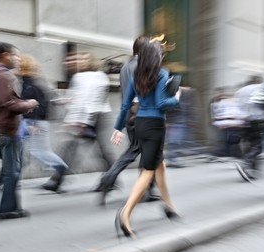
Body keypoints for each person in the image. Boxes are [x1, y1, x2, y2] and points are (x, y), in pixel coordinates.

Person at [112, 39, 182, 238]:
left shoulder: (136, 76)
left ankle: (168, 206)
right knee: (148, 171)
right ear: (156, 57)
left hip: (140, 124)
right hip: (154, 126)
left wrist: (117, 128)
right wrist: (176, 98)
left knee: (160, 165)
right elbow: (161, 103)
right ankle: (125, 214)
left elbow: (125, 106)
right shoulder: (161, 74)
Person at [95, 36, 160, 205]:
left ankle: (146, 188)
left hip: (130, 115)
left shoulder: (125, 67)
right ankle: (111, 180)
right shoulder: (143, 66)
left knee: (138, 151)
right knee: (142, 152)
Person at [43, 52, 113, 192]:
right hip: (84, 116)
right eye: (78, 59)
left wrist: (83, 121)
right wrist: (68, 110)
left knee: (98, 150)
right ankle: (57, 180)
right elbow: (75, 98)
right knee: (74, 148)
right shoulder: (78, 77)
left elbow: (93, 100)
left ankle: (57, 180)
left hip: (97, 117)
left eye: (83, 59)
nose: (79, 62)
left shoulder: (99, 76)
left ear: (91, 61)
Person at [0, 42, 39, 219]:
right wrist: (29, 104)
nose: (18, 59)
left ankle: (12, 207)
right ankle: (8, 209)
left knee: (13, 170)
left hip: (5, 128)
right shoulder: (3, 76)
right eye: (15, 55)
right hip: (8, 128)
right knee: (12, 171)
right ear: (5, 55)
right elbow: (7, 103)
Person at [18, 54, 69, 192]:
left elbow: (39, 105)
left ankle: (60, 167)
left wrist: (33, 124)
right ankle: (10, 179)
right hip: (30, 121)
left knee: (38, 151)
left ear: (24, 67)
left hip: (34, 122)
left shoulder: (31, 84)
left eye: (19, 63)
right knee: (20, 151)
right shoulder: (30, 82)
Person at [234, 75, 264, 182]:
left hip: (244, 121)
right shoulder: (260, 88)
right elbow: (262, 104)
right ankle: (247, 164)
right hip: (257, 120)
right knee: (258, 145)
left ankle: (252, 169)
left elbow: (237, 107)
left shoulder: (240, 91)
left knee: (248, 143)